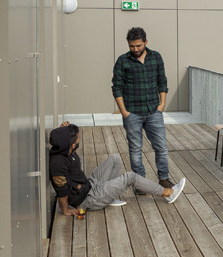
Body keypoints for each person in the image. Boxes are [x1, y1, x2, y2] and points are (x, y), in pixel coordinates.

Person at [48, 123, 186, 215]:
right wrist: (66, 210)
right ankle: (167, 193)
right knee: (130, 177)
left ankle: (109, 196)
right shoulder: (58, 165)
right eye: (77, 139)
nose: (79, 140)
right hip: (88, 198)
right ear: (71, 144)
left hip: (89, 185)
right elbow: (62, 191)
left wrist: (65, 130)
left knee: (115, 159)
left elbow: (66, 138)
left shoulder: (65, 148)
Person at [112, 26, 175, 188]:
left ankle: (164, 178)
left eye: (139, 45)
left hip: (154, 111)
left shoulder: (156, 57)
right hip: (132, 113)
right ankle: (140, 183)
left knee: (161, 146)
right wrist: (124, 112)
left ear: (146, 42)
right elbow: (116, 87)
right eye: (132, 46)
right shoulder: (122, 61)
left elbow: (162, 81)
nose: (135, 49)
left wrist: (162, 105)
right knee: (135, 149)